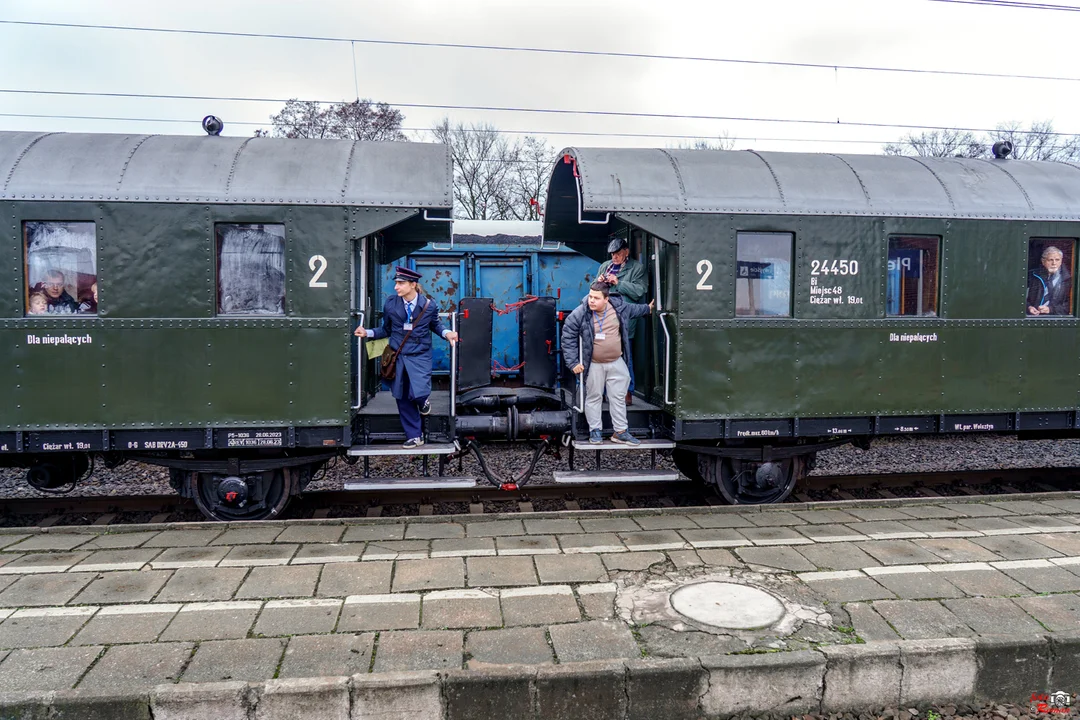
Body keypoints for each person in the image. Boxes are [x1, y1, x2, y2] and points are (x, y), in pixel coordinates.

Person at [354, 266, 459, 449]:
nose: (396, 287)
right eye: (396, 283)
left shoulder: (428, 305)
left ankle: (423, 401)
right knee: (402, 396)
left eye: (401, 283)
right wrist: (367, 332)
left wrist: (447, 333)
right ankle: (415, 436)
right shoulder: (391, 304)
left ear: (413, 284)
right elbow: (386, 329)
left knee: (418, 392)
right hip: (398, 356)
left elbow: (435, 325)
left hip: (419, 355)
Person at [561, 281, 654, 445]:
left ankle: (620, 432)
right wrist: (573, 362)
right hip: (593, 364)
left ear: (606, 299)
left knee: (618, 398)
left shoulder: (619, 308)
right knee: (594, 397)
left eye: (596, 298)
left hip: (616, 362)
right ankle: (595, 430)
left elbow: (636, 310)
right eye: (590, 297)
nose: (591, 301)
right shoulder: (581, 312)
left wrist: (648, 308)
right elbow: (567, 336)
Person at [597, 237, 647, 405]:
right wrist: (599, 282)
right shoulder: (605, 266)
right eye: (612, 254)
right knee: (604, 355)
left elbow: (639, 291)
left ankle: (627, 392)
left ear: (626, 252)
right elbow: (594, 289)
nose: (614, 257)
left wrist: (618, 283)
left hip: (623, 319)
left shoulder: (637, 268)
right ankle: (605, 391)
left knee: (625, 356)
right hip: (604, 317)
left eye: (618, 254)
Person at [1027, 246, 1072, 316]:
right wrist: (1029, 307)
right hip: (1033, 317)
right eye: (1050, 260)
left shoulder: (1069, 279)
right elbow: (1021, 297)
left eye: (1057, 260)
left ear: (1061, 261)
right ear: (1043, 261)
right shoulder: (1033, 275)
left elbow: (1071, 305)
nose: (1054, 263)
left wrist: (1050, 309)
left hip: (1057, 319)